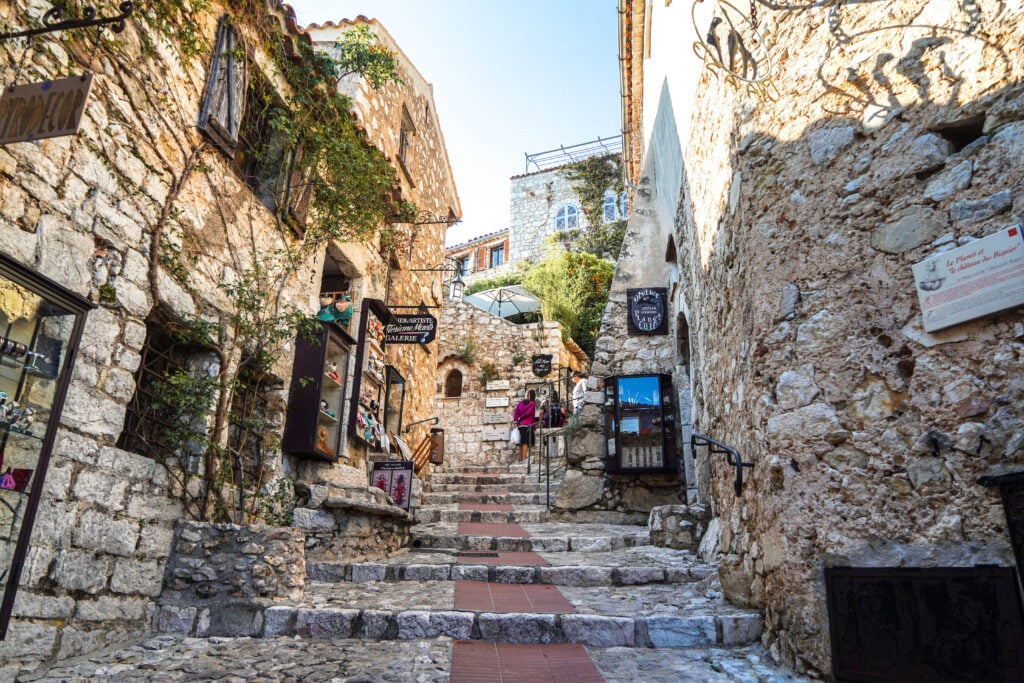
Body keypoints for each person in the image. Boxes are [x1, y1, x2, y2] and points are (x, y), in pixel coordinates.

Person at [512, 389, 537, 461]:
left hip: (520, 425)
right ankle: (523, 459)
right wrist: (534, 427)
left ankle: (520, 458)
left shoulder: (520, 403)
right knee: (525, 442)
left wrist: (516, 420)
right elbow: (529, 413)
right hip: (528, 425)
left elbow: (516, 413)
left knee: (520, 442)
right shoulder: (532, 403)